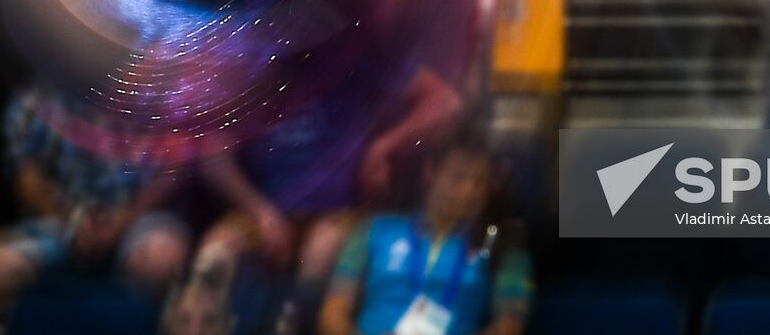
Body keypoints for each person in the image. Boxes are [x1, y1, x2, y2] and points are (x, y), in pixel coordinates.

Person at [186, 63, 465, 328]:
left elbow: (446, 102)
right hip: (262, 209)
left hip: (337, 211)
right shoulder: (251, 61)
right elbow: (212, 154)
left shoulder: (359, 52)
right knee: (214, 254)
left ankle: (293, 327)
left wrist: (384, 147)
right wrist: (260, 211)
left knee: (322, 250)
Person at [0, 87, 190, 326]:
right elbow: (27, 178)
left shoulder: (164, 95)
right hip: (60, 224)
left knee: (160, 259)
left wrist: (121, 223)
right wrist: (73, 221)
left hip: (144, 220)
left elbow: (173, 172)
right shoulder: (34, 99)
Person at [318, 140, 532, 335]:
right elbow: (334, 310)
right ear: (431, 172)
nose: (468, 191)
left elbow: (510, 326)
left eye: (479, 181)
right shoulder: (375, 230)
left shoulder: (502, 247)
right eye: (457, 178)